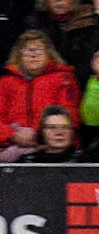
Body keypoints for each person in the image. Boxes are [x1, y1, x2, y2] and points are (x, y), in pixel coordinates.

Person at [0, 31, 78, 159]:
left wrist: (36, 135)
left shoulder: (63, 78)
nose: (33, 55)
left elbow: (70, 115)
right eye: (27, 50)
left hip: (51, 145)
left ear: (49, 53)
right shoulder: (5, 82)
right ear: (18, 54)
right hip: (11, 144)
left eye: (39, 50)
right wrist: (13, 135)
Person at [25, 0, 99, 86]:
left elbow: (91, 63)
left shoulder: (90, 22)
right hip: (45, 87)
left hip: (83, 87)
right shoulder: (35, 25)